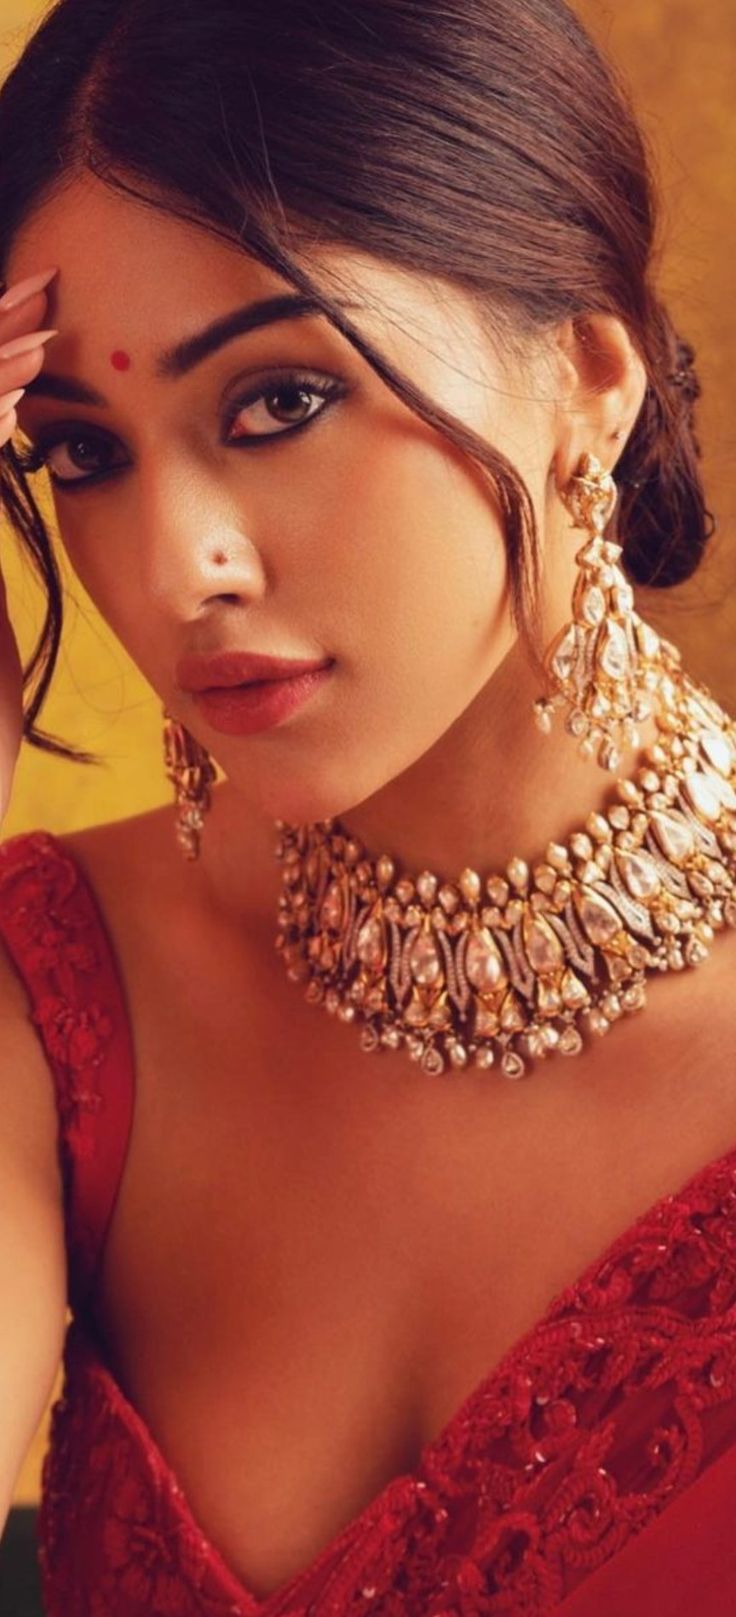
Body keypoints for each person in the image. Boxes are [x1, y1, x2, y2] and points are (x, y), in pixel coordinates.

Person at [0, 0, 735, 1612]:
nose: (177, 564)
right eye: (81, 453)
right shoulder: (65, 982)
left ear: (587, 372)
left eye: (276, 402)